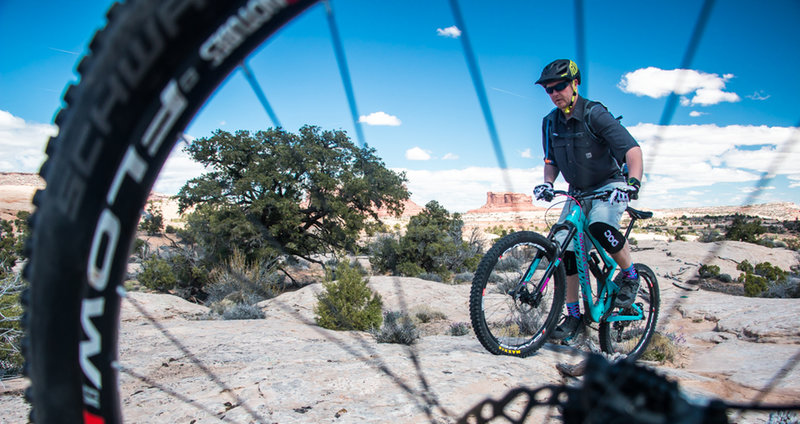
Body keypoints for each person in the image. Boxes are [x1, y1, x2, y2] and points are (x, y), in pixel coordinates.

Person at [532, 59, 644, 343]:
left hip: (610, 185)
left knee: (597, 226)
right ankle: (573, 316)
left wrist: (632, 183)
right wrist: (548, 183)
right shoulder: (549, 123)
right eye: (548, 90)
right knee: (564, 248)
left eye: (559, 86)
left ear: (575, 84)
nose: (554, 93)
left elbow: (632, 150)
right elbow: (551, 161)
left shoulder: (595, 113)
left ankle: (630, 275)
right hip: (577, 190)